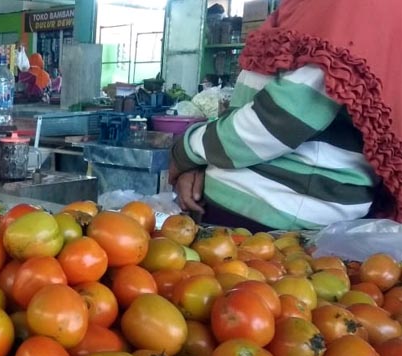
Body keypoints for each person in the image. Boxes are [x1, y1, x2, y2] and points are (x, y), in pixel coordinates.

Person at [169, 0, 402, 231]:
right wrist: (204, 162)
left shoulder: (344, 7)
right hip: (263, 208)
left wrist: (187, 151)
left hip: (275, 215)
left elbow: (276, 122)